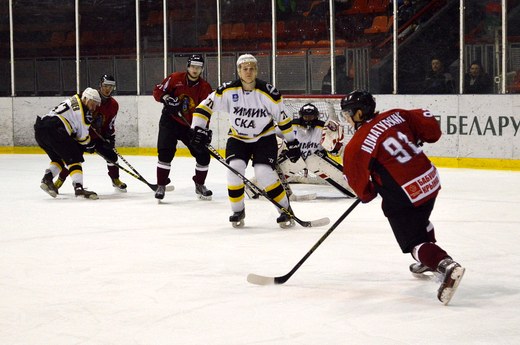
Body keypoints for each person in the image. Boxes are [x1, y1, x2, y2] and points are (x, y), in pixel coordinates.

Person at [340, 90, 465, 305]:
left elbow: (361, 189)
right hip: (430, 181)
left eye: (348, 113)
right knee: (420, 220)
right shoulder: (396, 114)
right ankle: (429, 260)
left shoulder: (356, 145)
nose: (347, 118)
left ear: (359, 113)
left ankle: (444, 264)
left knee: (413, 242)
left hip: (407, 194)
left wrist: (370, 190)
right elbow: (431, 130)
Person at [190, 53, 301, 228]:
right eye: (244, 68)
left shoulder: (268, 92)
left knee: (263, 172)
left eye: (251, 68)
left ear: (256, 70)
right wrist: (197, 129)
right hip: (238, 138)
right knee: (234, 170)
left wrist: (292, 142)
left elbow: (283, 119)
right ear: (239, 71)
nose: (248, 71)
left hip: (264, 138)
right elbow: (203, 107)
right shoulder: (227, 90)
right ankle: (237, 210)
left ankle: (285, 210)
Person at [152, 54, 213, 201]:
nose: (195, 69)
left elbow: (206, 111)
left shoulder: (205, 88)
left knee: (203, 155)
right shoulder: (175, 78)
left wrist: (202, 129)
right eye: (193, 66)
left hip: (190, 126)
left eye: (198, 67)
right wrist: (167, 99)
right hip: (170, 121)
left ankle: (199, 184)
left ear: (201, 69)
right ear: (188, 66)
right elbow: (158, 91)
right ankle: (161, 185)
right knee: (165, 153)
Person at [54, 75, 127, 192]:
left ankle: (115, 180)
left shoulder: (113, 105)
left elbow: (110, 123)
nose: (108, 89)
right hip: (81, 135)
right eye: (105, 86)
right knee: (73, 159)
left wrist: (110, 137)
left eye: (111, 87)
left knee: (112, 157)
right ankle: (59, 181)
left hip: (97, 137)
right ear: (100, 85)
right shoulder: (90, 97)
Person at [34, 87, 101, 199]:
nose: (94, 107)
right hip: (55, 130)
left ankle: (47, 179)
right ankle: (79, 188)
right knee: (74, 158)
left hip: (40, 130)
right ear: (86, 99)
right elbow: (82, 138)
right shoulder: (83, 113)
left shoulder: (73, 99)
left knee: (59, 158)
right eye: (93, 103)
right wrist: (91, 145)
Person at [276, 103, 355, 197]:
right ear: (301, 116)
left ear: (316, 116)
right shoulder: (291, 126)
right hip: (294, 158)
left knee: (314, 160)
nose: (309, 119)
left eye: (311, 117)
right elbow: (272, 135)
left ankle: (354, 188)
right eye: (306, 117)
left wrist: (334, 146)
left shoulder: (323, 127)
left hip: (318, 160)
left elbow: (336, 149)